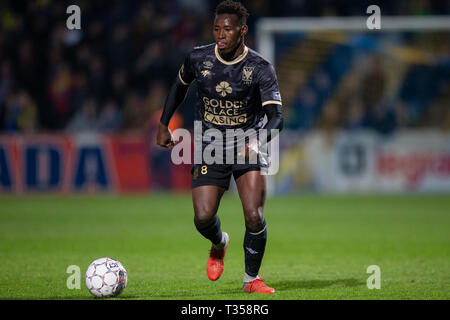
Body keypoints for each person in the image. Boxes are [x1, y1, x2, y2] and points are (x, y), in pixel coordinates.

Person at [156, 0, 283, 294]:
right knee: (202, 217)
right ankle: (219, 243)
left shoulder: (260, 68)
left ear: (242, 31)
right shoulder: (198, 58)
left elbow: (277, 118)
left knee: (254, 215)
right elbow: (179, 86)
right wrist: (164, 124)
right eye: (216, 28)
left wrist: (258, 140)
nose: (220, 34)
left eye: (227, 29)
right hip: (209, 145)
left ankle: (251, 280)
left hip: (247, 144)